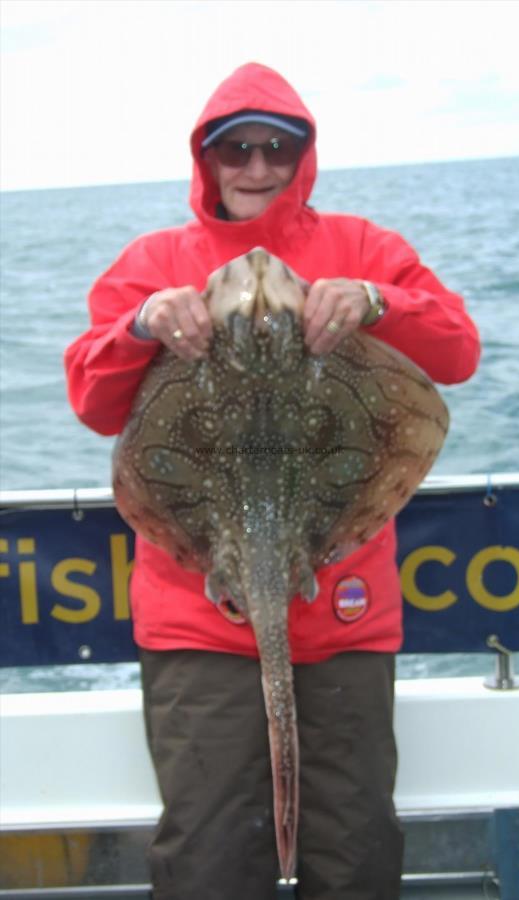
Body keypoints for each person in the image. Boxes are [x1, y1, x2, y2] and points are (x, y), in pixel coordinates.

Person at [65, 62, 480, 900]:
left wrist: (376, 302)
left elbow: (458, 352)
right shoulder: (154, 260)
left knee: (356, 850)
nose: (257, 168)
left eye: (277, 149)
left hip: (344, 615)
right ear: (206, 159)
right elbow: (93, 397)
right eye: (237, 150)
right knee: (210, 859)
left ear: (305, 154)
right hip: (199, 618)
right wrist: (144, 324)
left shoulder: (366, 249)